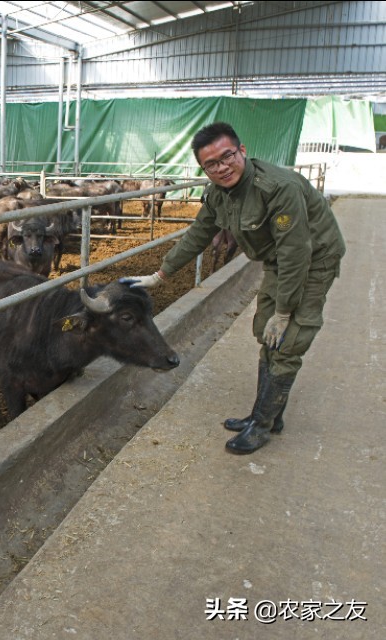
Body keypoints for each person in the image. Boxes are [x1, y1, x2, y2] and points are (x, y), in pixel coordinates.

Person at [123, 122, 345, 454]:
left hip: (314, 258)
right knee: (265, 332)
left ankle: (262, 425)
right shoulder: (218, 194)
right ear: (203, 168)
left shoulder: (277, 187)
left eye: (227, 156)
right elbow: (199, 234)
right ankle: (267, 413)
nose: (221, 167)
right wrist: (160, 275)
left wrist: (285, 312)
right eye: (211, 164)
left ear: (241, 151)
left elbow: (296, 253)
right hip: (278, 260)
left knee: (288, 339)